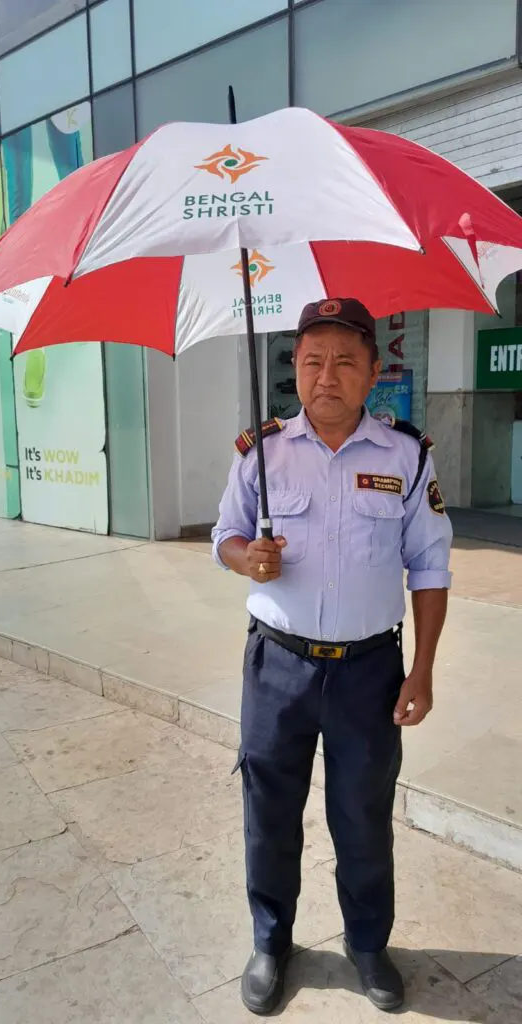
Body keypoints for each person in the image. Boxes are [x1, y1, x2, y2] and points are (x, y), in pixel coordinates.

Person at [211, 298, 452, 1015]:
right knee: (269, 811)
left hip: (370, 672)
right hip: (277, 666)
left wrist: (423, 669)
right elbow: (224, 535)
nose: (327, 375)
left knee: (363, 814)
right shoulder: (262, 453)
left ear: (375, 371)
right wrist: (246, 559)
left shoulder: (407, 456)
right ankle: (271, 940)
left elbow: (430, 567)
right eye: (313, 360)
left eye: (346, 360)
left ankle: (368, 944)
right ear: (295, 368)